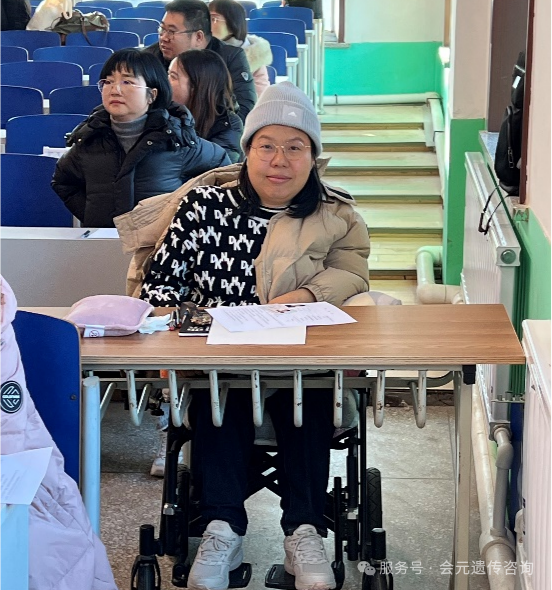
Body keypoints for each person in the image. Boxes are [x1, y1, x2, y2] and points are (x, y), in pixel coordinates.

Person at [139, 82, 369, 590]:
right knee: (222, 391)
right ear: (247, 151)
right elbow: (158, 289)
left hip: (299, 361)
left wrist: (304, 297)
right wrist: (208, 324)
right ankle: (221, 529)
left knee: (309, 390)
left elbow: (353, 272)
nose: (279, 160)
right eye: (267, 146)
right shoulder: (202, 206)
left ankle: (304, 531)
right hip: (217, 360)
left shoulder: (335, 215)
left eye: (295, 147)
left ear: (313, 157)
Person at [52, 48, 230, 228]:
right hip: (103, 242)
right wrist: (93, 214)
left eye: (127, 82)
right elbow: (63, 181)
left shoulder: (175, 141)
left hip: (161, 242)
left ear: (152, 94)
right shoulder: (90, 139)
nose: (115, 90)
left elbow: (223, 173)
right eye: (108, 81)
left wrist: (188, 218)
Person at [144, 0, 256, 123]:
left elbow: (244, 110)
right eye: (162, 29)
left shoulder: (230, 58)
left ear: (198, 37)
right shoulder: (150, 57)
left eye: (171, 31)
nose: (164, 38)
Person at [169, 49, 243, 163]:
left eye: (173, 77)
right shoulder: (164, 112)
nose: (166, 82)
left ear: (195, 86)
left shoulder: (229, 124)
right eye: (168, 74)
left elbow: (217, 167)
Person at [209, 0, 273, 97]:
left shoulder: (255, 56)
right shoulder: (202, 50)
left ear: (232, 22)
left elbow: (259, 98)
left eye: (213, 18)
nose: (206, 24)